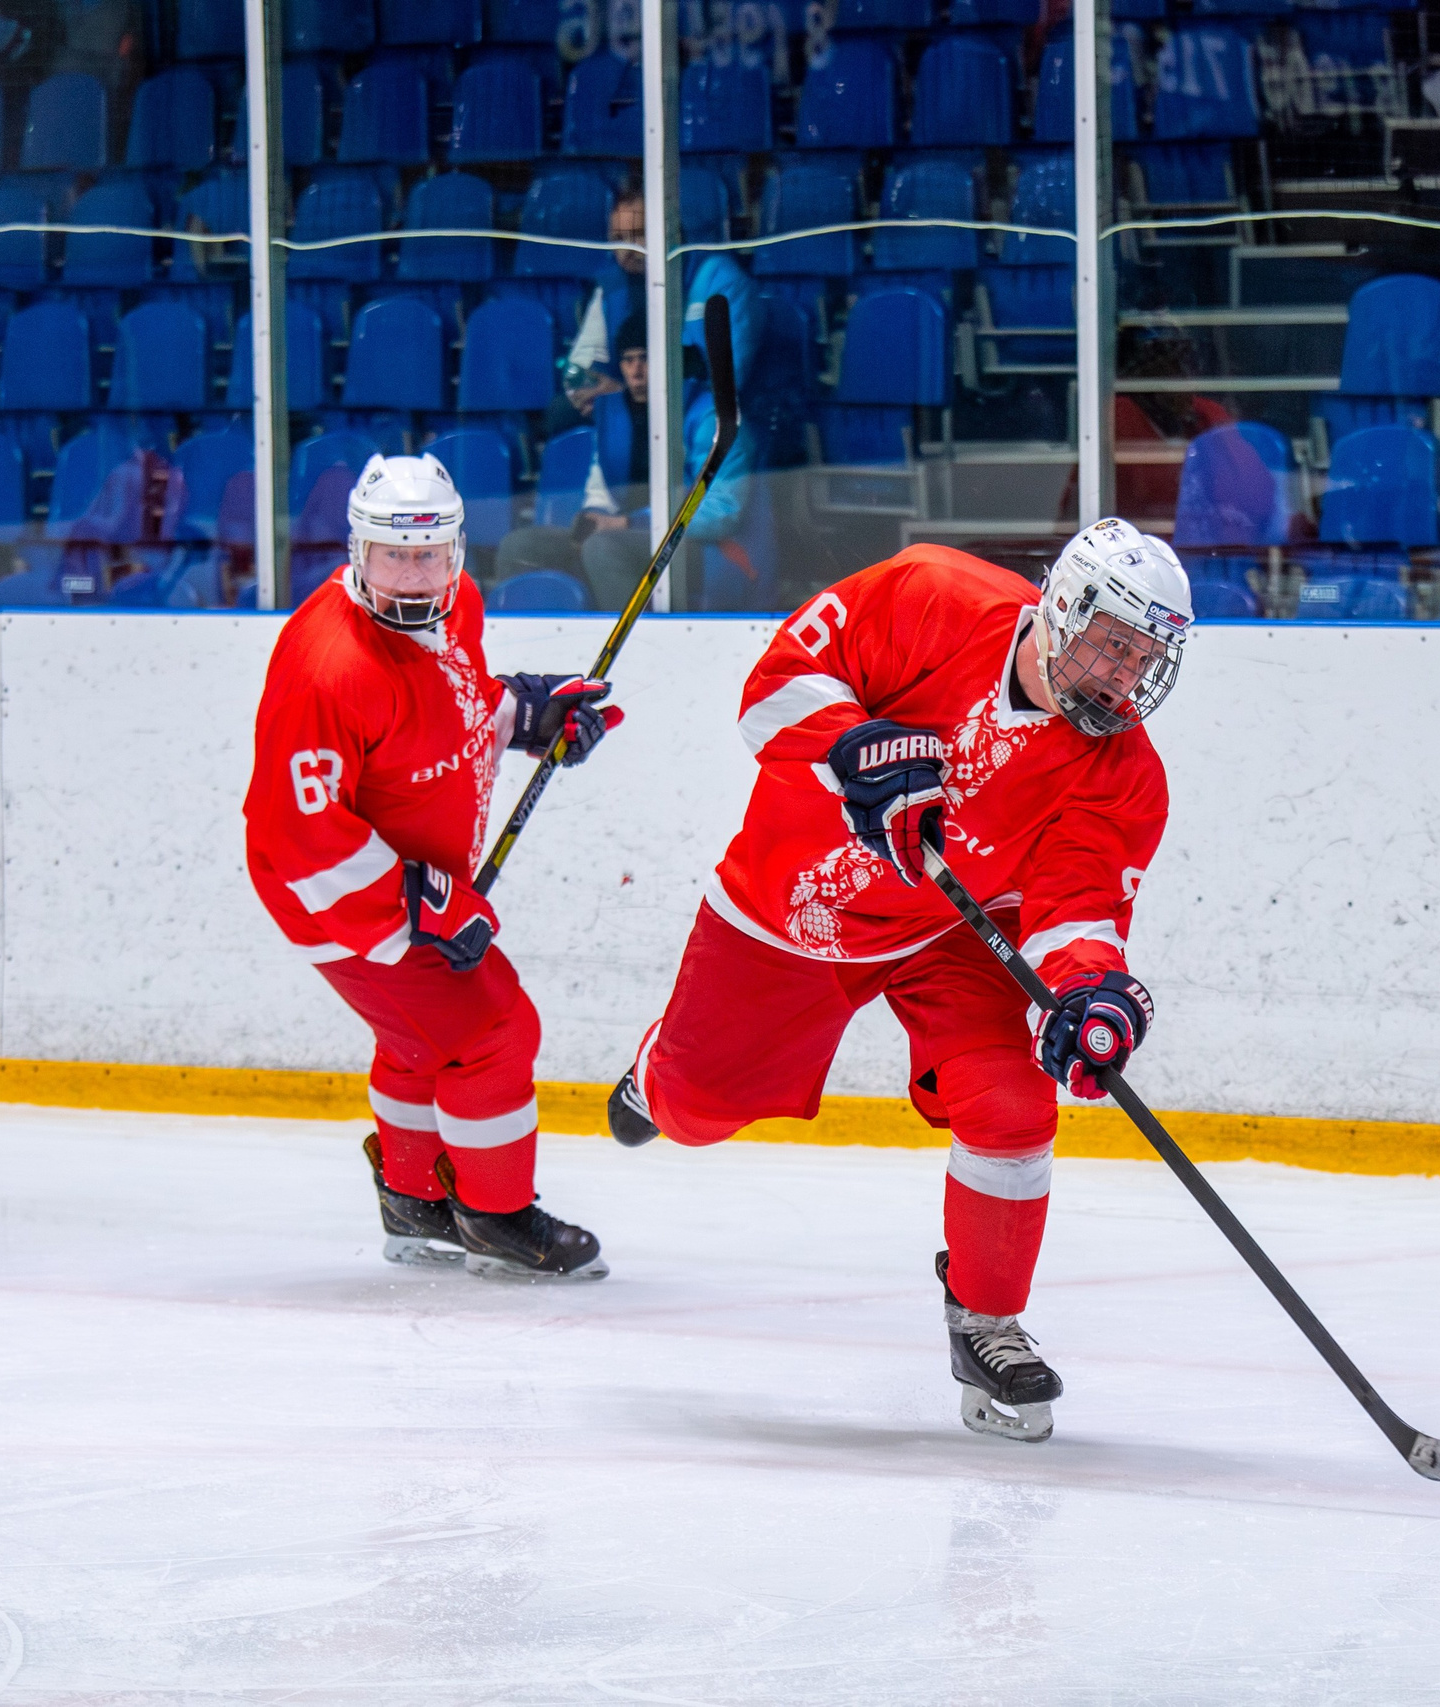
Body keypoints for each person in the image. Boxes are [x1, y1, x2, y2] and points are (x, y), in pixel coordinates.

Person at [605, 520, 1194, 1442]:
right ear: (1063, 609)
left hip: (956, 926)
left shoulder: (1122, 771)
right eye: (1114, 643)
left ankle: (986, 1321)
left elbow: (1074, 908)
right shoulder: (931, 594)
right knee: (693, 1103)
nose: (1126, 674)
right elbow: (771, 691)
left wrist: (1092, 993)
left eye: (1145, 657)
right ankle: (656, 1071)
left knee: (1011, 1099)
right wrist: (856, 744)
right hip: (795, 904)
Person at [243, 453, 617, 1282]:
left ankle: (415, 1199)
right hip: (334, 894)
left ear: (455, 554)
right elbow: (298, 831)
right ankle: (494, 1214)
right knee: (492, 1030)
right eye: (392, 554)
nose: (412, 575)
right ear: (356, 552)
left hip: (405, 878)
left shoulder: (457, 607)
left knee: (418, 1040)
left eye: (429, 555)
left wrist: (532, 714)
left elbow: (454, 704)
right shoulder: (328, 668)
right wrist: (419, 897)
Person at [493, 316, 763, 612]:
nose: (636, 370)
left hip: (710, 550)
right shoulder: (614, 414)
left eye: (645, 359)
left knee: (604, 548)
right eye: (627, 360)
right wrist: (594, 516)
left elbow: (721, 512)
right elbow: (600, 491)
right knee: (520, 546)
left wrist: (632, 522)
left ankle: (632, 654)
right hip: (630, 535)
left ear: (669, 360)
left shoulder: (713, 419)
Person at [562, 180, 762, 416]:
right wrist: (590, 390)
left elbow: (728, 381)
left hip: (709, 412)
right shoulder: (611, 289)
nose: (626, 249)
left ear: (671, 233)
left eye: (637, 235)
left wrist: (632, 395)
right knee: (562, 413)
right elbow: (581, 368)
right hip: (637, 409)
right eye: (618, 238)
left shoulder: (721, 282)